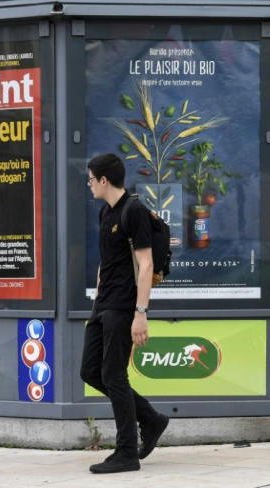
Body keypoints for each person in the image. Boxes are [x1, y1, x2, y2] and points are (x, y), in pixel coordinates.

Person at [80, 153, 169, 474]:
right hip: (103, 304)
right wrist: (98, 292)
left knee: (114, 374)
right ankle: (150, 418)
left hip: (124, 306)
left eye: (91, 179)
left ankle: (127, 452)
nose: (88, 185)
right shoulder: (106, 211)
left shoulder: (135, 212)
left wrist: (140, 313)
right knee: (91, 371)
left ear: (104, 180)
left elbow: (145, 265)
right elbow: (108, 260)